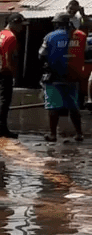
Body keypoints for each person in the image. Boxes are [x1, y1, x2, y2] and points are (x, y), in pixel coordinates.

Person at [39, 12, 84, 142]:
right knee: (73, 106)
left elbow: (41, 55)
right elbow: (85, 52)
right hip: (73, 76)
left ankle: (53, 135)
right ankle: (79, 133)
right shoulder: (80, 36)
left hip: (54, 77)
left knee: (53, 106)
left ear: (57, 24)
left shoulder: (50, 37)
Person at [0, 13, 26, 138]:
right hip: (5, 71)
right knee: (4, 101)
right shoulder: (11, 37)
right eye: (21, 25)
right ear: (14, 22)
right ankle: (1, 128)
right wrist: (13, 74)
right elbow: (10, 58)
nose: (22, 28)